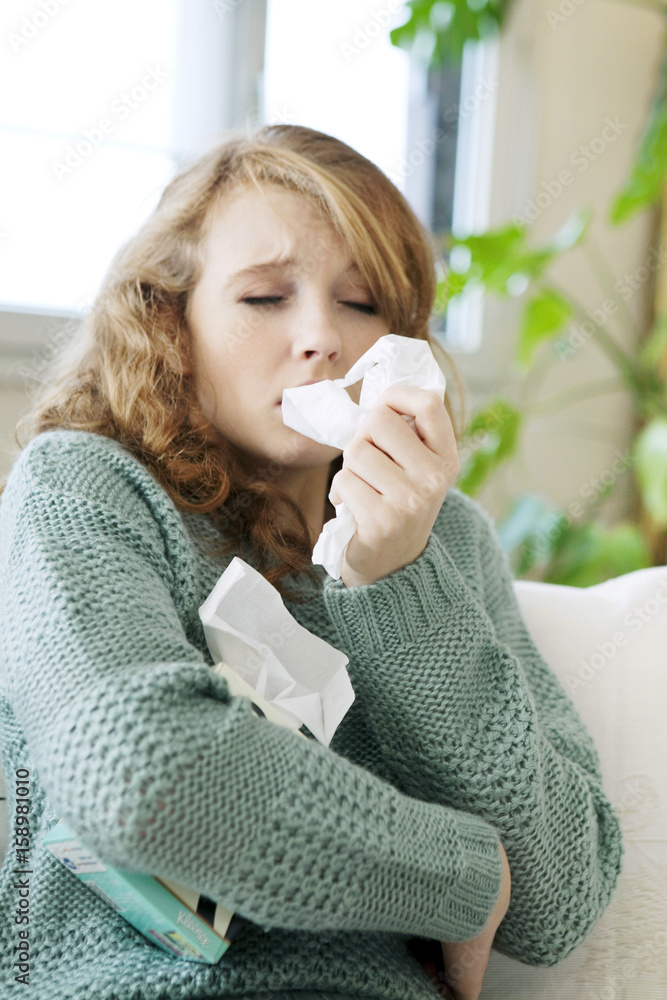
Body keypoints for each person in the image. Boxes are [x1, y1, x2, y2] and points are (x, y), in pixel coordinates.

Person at [0, 124, 622, 1000]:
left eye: (362, 302)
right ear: (170, 322)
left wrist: (399, 583)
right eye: (263, 298)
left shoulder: (450, 542)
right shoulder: (87, 489)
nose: (322, 339)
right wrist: (464, 878)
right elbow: (141, 774)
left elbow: (558, 899)